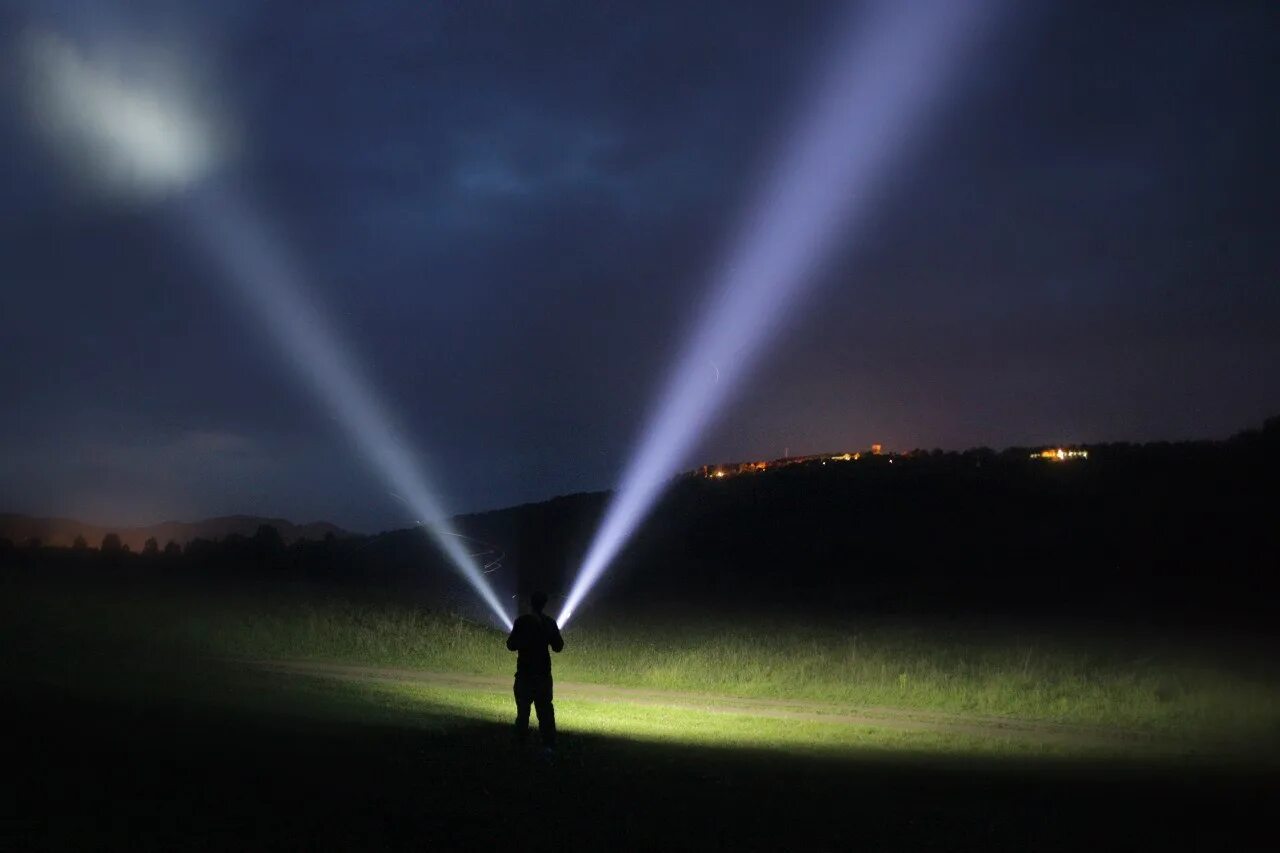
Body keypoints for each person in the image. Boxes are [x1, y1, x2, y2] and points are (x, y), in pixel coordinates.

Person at [505, 590, 564, 750]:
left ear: (530, 603)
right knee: (545, 713)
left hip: (524, 674)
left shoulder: (521, 621)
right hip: (543, 675)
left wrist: (524, 641)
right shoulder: (550, 623)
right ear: (544, 604)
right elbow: (558, 647)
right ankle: (549, 748)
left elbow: (510, 645)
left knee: (523, 714)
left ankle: (520, 747)